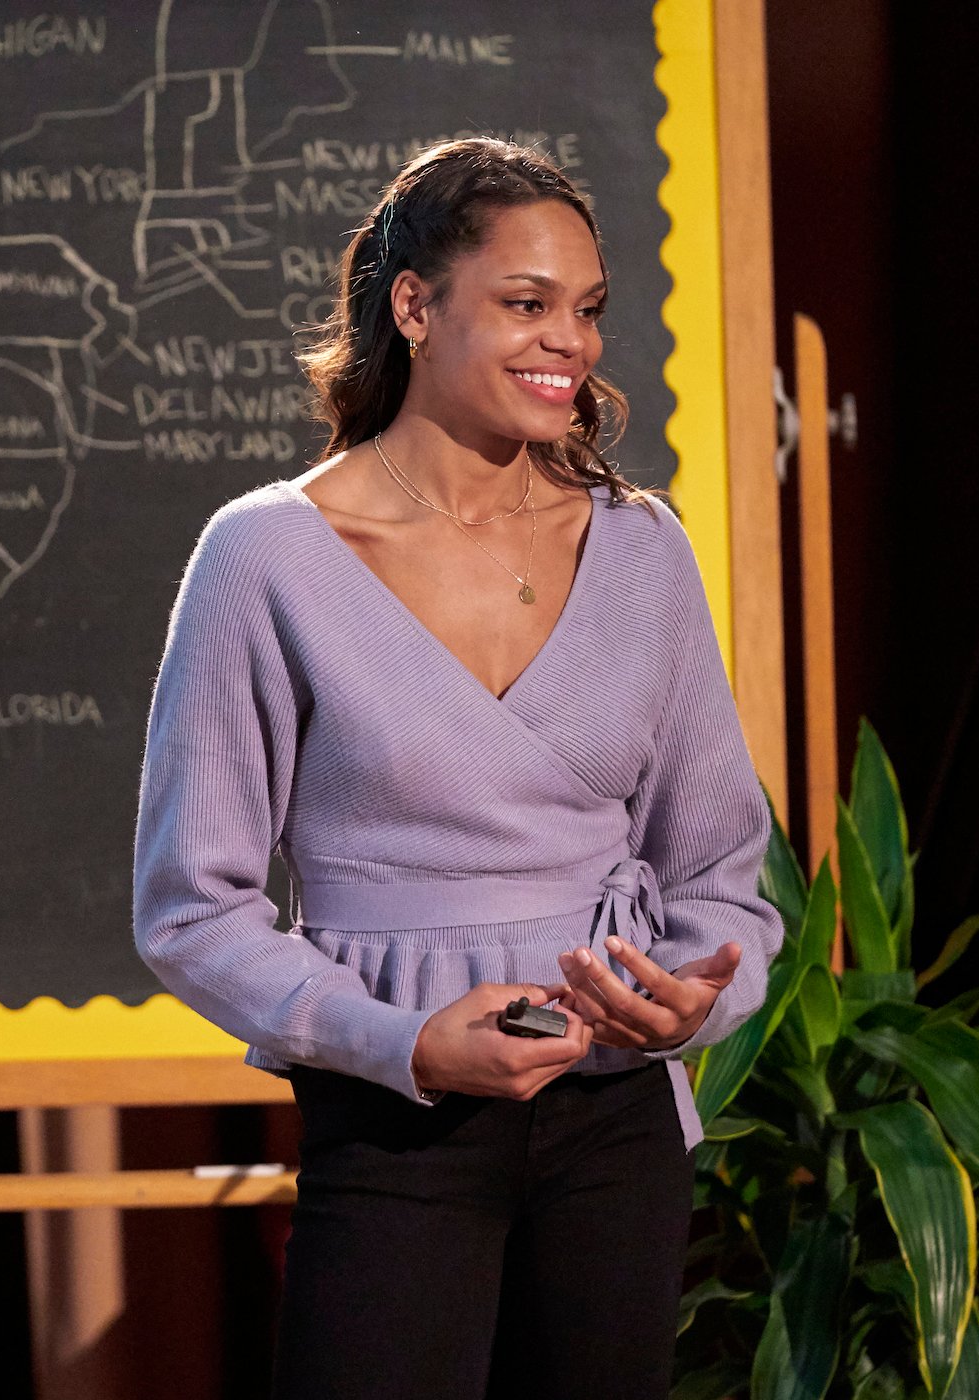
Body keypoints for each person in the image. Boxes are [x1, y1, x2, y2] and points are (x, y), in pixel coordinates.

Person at [131, 137, 785, 1399]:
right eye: (528, 304)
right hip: (395, 1118)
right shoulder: (264, 556)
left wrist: (701, 994)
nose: (572, 343)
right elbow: (191, 909)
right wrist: (401, 1043)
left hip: (617, 1119)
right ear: (416, 307)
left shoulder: (643, 547)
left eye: (587, 309)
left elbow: (719, 871)